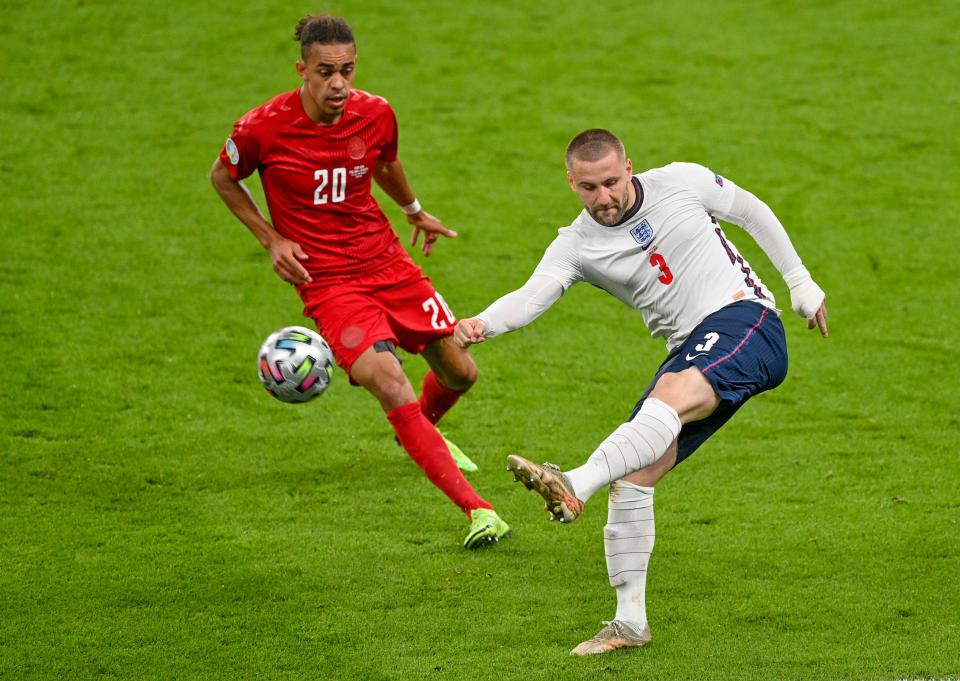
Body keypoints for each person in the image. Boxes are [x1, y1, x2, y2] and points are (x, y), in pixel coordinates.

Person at [454, 129, 827, 652]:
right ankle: (630, 624)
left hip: (747, 320)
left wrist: (800, 281)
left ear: (629, 168)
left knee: (667, 397)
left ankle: (574, 482)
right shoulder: (577, 245)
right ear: (571, 183)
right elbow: (532, 295)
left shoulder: (681, 181)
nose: (603, 197)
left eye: (611, 182)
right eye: (589, 188)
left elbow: (752, 210)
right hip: (690, 349)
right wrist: (483, 324)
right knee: (634, 473)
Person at [210, 14, 509, 550]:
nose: (338, 84)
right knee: (388, 379)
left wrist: (414, 210)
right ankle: (478, 509)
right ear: (301, 69)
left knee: (461, 373)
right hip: (328, 282)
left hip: (387, 262)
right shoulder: (261, 127)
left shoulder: (375, 113)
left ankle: (418, 429)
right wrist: (270, 239)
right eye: (325, 72)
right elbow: (223, 177)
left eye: (346, 70)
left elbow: (385, 162)